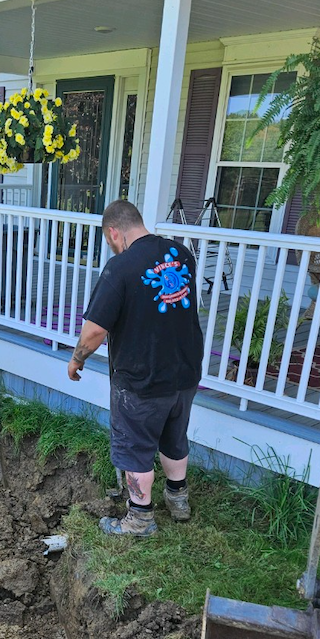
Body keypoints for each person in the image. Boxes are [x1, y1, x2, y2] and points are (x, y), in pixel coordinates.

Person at [67, 200, 203, 536]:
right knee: (174, 437)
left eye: (109, 241)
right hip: (185, 370)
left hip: (143, 377)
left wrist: (77, 359)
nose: (112, 247)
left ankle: (140, 518)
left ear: (114, 232)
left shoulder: (121, 268)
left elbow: (94, 331)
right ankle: (178, 499)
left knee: (135, 448)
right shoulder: (181, 255)